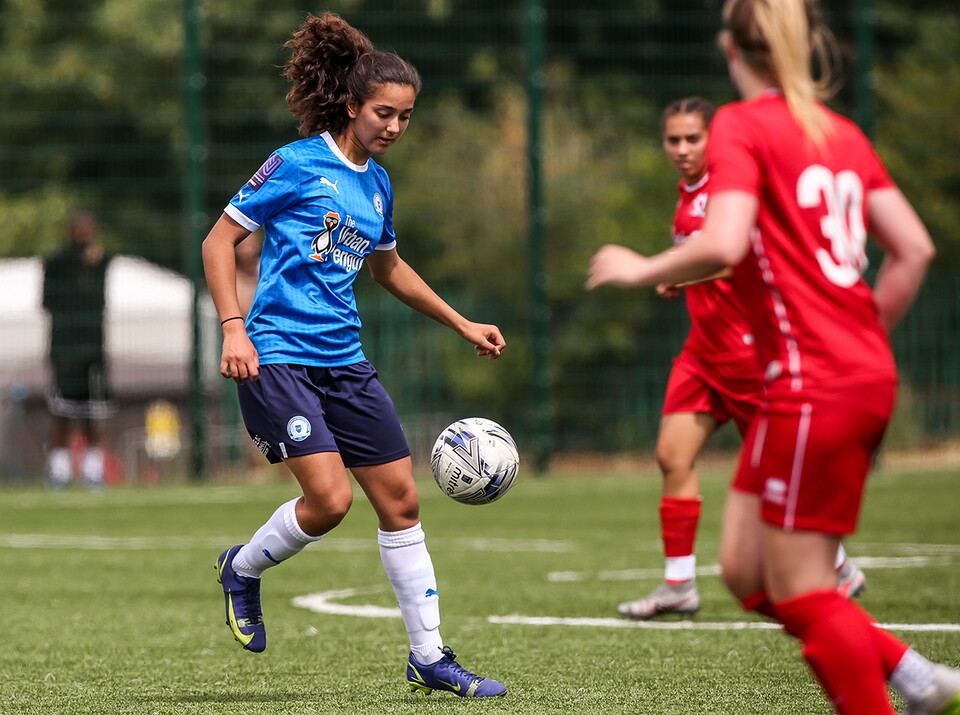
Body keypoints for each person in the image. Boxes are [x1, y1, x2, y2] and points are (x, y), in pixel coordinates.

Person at [587, 0, 960, 712]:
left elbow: (726, 242)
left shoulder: (742, 124)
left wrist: (641, 267)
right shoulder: (839, 131)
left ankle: (906, 686)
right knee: (745, 571)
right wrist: (864, 340)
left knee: (801, 586)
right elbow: (914, 249)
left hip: (811, 381)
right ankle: (919, 678)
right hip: (843, 376)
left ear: (730, 47)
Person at [201, 13, 507, 699]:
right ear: (351, 105)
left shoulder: (378, 185)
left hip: (345, 361)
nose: (394, 126)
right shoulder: (296, 163)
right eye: (383, 113)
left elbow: (388, 268)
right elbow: (218, 242)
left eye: (405, 116)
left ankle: (429, 657)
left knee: (402, 502)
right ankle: (241, 569)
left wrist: (462, 323)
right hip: (278, 356)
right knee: (332, 500)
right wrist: (233, 328)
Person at [617, 98, 865, 620]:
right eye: (673, 139)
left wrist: (672, 271)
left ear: (714, 139)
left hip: (749, 356)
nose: (682, 149)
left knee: (780, 473)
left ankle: (839, 567)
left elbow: (738, 258)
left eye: (693, 138)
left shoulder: (730, 190)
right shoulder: (687, 193)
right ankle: (679, 586)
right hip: (703, 354)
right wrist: (680, 277)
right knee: (672, 457)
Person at [42, 210, 115, 488]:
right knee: (61, 411)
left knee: (92, 412)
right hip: (64, 346)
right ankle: (59, 472)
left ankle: (92, 472)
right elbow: (47, 301)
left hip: (93, 347)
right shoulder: (56, 262)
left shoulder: (102, 261)